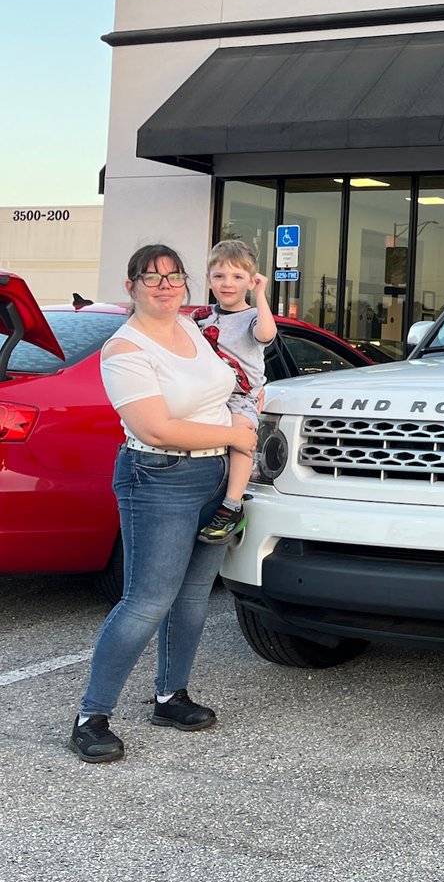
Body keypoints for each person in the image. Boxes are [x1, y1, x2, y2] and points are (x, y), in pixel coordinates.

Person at [68, 245, 259, 764]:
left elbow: (236, 372)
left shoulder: (193, 329)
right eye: (151, 278)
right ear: (131, 287)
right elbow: (156, 427)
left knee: (194, 595)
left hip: (215, 473)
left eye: (174, 276)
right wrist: (236, 435)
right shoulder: (124, 350)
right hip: (158, 476)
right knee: (148, 600)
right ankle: (91, 715)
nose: (164, 285)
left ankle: (170, 696)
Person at [192, 239, 277, 543]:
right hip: (206, 396)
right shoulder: (200, 318)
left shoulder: (252, 316)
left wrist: (262, 294)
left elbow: (266, 333)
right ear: (209, 279)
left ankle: (232, 507)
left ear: (251, 281)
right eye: (220, 276)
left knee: (241, 438)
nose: (228, 283)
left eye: (238, 277)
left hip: (241, 397)